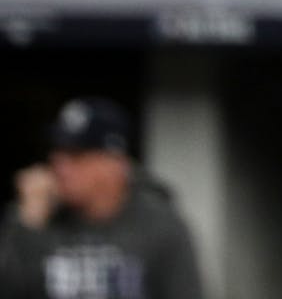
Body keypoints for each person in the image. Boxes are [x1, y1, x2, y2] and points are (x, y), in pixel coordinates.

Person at [0, 96, 204, 299]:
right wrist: (27, 227)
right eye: (58, 154)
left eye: (76, 155)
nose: (60, 167)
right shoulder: (36, 219)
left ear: (115, 163)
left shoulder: (160, 226)